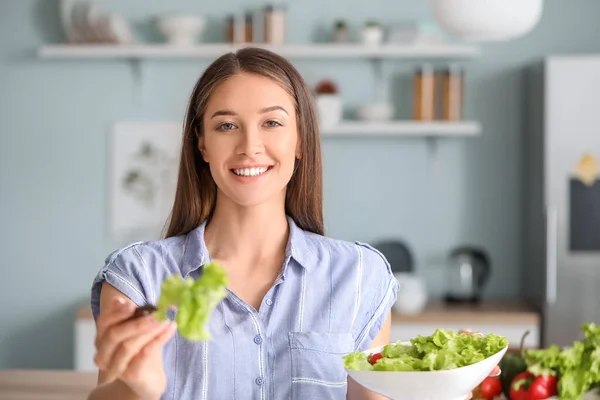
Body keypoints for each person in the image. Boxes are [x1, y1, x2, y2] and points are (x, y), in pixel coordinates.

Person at [87, 47, 498, 400]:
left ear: (300, 139)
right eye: (226, 125)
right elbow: (114, 390)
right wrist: (135, 391)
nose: (250, 146)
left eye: (272, 123)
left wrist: (436, 385)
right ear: (202, 143)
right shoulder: (138, 278)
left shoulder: (359, 277)